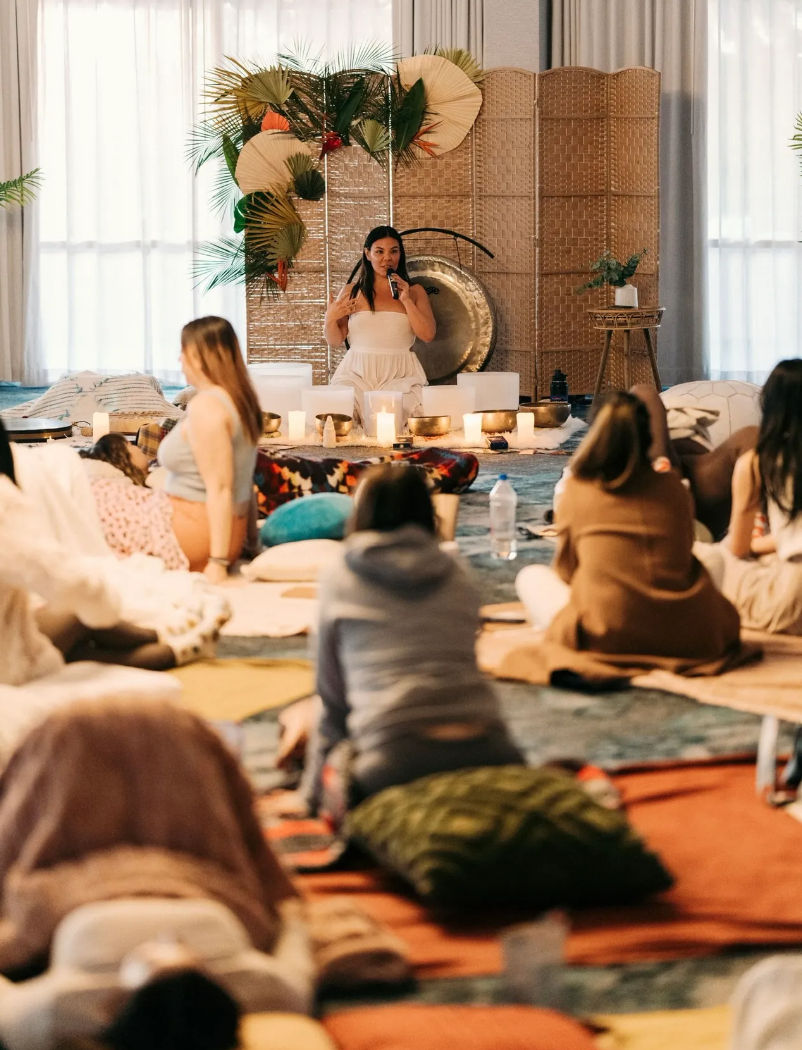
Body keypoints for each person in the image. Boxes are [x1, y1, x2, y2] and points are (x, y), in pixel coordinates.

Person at [0, 697, 313, 1049]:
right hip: (200, 870)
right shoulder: (269, 991)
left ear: (113, 1004)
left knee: (63, 741)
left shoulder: (50, 1011)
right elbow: (292, 929)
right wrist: (283, 902)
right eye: (186, 953)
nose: (167, 938)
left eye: (150, 956)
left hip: (71, 873)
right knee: (174, 730)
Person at [284, 463, 523, 816]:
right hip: (492, 751)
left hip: (393, 763)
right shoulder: (457, 573)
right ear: (428, 513)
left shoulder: (339, 575)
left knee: (303, 715)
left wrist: (308, 799)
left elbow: (333, 706)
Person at [515, 390, 749, 682]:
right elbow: (685, 553)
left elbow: (566, 572)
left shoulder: (577, 489)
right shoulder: (673, 487)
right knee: (713, 556)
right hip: (685, 632)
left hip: (607, 634)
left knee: (530, 576)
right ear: (652, 438)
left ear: (595, 434)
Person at [0, 420, 175, 683]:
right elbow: (67, 581)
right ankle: (162, 642)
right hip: (9, 663)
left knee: (84, 623)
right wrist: (107, 611)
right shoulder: (6, 508)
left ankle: (149, 640)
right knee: (88, 621)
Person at [694, 359, 802, 635]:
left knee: (704, 558)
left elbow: (739, 549)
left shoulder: (756, 462)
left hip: (790, 596)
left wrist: (752, 543)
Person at [157, 317, 262, 582]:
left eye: (184, 351)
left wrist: (217, 563)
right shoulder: (240, 400)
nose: (179, 359)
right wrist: (251, 542)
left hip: (193, 534)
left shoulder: (207, 406)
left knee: (87, 495)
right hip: (220, 535)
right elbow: (245, 480)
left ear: (202, 355)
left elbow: (221, 488)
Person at [324, 226, 436, 427]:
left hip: (399, 374)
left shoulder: (416, 292)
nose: (387, 258)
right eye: (379, 252)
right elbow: (334, 340)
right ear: (367, 254)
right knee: (339, 418)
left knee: (387, 423)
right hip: (356, 373)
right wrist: (330, 318)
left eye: (394, 251)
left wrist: (406, 300)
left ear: (400, 254)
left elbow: (427, 335)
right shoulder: (352, 291)